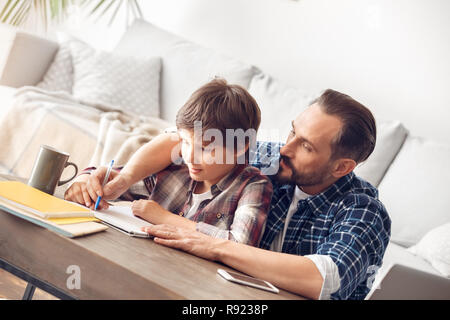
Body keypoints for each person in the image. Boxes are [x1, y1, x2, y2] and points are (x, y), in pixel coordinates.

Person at [66, 88, 391, 300]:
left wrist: (215, 245)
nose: (286, 146)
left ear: (342, 167)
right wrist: (112, 180)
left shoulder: (362, 211)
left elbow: (323, 279)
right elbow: (176, 141)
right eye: (293, 130)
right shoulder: (278, 158)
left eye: (305, 145)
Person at [65, 78, 272, 246]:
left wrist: (164, 218)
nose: (191, 156)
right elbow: (115, 181)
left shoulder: (253, 185)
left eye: (206, 148)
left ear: (240, 146)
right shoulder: (175, 169)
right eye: (185, 142)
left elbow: (240, 245)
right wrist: (86, 182)